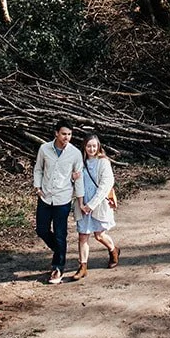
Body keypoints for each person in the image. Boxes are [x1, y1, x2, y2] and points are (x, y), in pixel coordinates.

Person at [32, 121, 83, 284]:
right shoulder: (44, 149)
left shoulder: (75, 153)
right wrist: (37, 187)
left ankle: (58, 268)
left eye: (69, 134)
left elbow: (78, 178)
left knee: (60, 234)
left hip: (63, 198)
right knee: (42, 230)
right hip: (46, 196)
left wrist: (80, 201)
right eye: (63, 134)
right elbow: (38, 169)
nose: (66, 137)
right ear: (56, 133)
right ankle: (60, 251)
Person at [71, 135, 119, 280]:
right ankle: (83, 267)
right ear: (84, 147)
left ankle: (113, 250)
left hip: (98, 203)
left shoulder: (103, 162)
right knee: (83, 235)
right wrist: (73, 178)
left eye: (94, 146)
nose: (91, 149)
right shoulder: (80, 162)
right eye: (88, 146)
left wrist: (91, 205)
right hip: (82, 203)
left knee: (99, 235)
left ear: (98, 147)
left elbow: (106, 185)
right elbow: (75, 182)